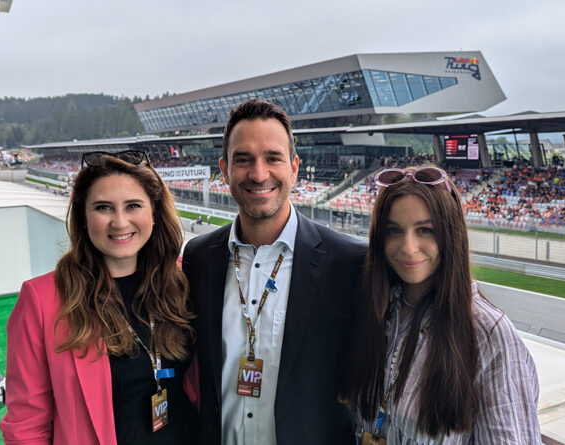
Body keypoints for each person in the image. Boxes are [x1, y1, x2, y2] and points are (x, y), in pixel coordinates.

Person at [182, 98, 366, 445]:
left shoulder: (349, 262)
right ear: (224, 169)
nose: (258, 173)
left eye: (273, 158)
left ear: (294, 167)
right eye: (243, 160)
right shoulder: (199, 258)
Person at [1, 151, 199, 445]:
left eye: (133, 206)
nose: (120, 222)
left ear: (154, 213)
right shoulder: (42, 300)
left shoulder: (185, 279)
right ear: (83, 217)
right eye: (104, 207)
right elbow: (26, 426)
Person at [340, 165, 540, 444]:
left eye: (425, 230)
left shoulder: (488, 333)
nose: (408, 247)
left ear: (450, 234)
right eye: (394, 231)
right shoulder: (377, 309)